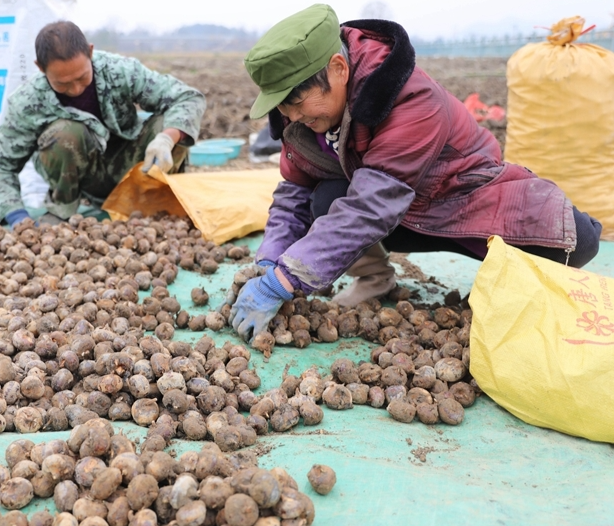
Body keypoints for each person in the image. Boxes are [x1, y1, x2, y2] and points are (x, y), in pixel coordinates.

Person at [228, 4, 602, 344]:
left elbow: (371, 207)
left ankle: (504, 286)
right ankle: (374, 278)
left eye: (296, 102)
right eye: (283, 106)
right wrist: (270, 259)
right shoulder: (304, 118)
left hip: (462, 199)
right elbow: (294, 190)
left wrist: (282, 283)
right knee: (324, 198)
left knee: (577, 241)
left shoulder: (409, 99)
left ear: (338, 69)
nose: (291, 116)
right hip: (400, 212)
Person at [0, 21, 206, 226]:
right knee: (65, 133)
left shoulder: (120, 71)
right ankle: (62, 212)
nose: (76, 89)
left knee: (167, 125)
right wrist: (16, 215)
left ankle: (151, 205)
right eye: (63, 83)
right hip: (84, 179)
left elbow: (187, 97)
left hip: (134, 168)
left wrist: (167, 138)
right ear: (40, 68)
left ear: (90, 52)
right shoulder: (27, 102)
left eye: (82, 78)